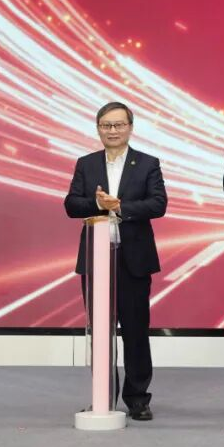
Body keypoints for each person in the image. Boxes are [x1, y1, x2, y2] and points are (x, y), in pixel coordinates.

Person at [64, 101, 167, 421]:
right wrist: (98, 205)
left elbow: (158, 204)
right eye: (106, 125)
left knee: (136, 330)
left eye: (119, 125)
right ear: (98, 129)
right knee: (100, 330)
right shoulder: (86, 163)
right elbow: (71, 204)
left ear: (130, 128)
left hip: (132, 258)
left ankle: (138, 398)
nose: (113, 131)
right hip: (96, 259)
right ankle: (103, 396)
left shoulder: (147, 163)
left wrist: (120, 207)